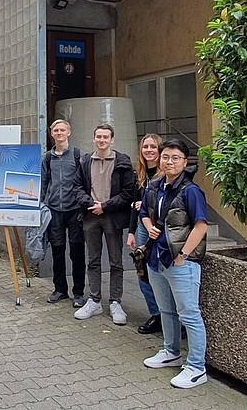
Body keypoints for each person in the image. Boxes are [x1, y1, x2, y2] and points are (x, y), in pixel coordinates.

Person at [140, 138, 209, 389]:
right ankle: (171, 351)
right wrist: (149, 229)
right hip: (156, 259)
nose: (169, 162)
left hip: (180, 262)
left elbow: (201, 224)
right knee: (166, 310)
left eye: (175, 158)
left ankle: (196, 367)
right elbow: (144, 213)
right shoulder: (155, 186)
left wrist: (184, 255)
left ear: (184, 161)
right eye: (165, 157)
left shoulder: (191, 190)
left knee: (189, 314)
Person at [73, 123, 135, 325]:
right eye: (98, 136)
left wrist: (106, 206)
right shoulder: (84, 161)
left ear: (112, 139)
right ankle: (94, 300)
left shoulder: (122, 161)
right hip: (91, 216)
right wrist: (91, 204)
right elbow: (77, 187)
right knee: (93, 260)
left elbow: (128, 193)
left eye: (105, 137)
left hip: (112, 217)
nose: (102, 140)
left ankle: (116, 302)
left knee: (116, 261)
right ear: (93, 139)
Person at [40, 119, 87, 307]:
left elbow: (85, 182)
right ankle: (60, 289)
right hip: (54, 210)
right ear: (52, 133)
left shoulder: (78, 156)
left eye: (62, 130)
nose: (59, 133)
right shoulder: (47, 158)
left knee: (77, 252)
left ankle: (78, 292)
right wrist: (40, 206)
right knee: (58, 251)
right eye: (56, 130)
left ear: (69, 132)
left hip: (75, 210)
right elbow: (43, 183)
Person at [126, 134, 164, 334]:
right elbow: (134, 205)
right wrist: (131, 232)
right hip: (142, 227)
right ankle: (156, 314)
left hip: (160, 228)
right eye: (145, 147)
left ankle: (171, 317)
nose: (148, 150)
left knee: (160, 272)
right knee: (142, 271)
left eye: (153, 147)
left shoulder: (165, 175)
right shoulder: (140, 175)